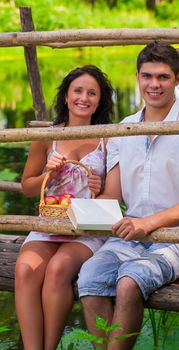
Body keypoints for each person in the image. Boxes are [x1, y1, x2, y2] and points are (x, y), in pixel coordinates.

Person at [77, 41, 179, 350]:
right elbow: (113, 193)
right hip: (132, 233)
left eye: (163, 77)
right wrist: (79, 198)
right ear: (137, 76)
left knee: (130, 281)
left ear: (178, 78)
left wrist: (147, 223)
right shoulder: (124, 129)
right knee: (89, 277)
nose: (154, 84)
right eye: (147, 76)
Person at [15, 65, 114, 350]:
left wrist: (99, 189)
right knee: (24, 269)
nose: (84, 98)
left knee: (58, 268)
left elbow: (117, 194)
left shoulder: (108, 138)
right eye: (78, 91)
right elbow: (27, 187)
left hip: (88, 229)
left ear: (100, 100)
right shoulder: (48, 136)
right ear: (66, 97)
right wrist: (48, 173)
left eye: (92, 93)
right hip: (51, 223)